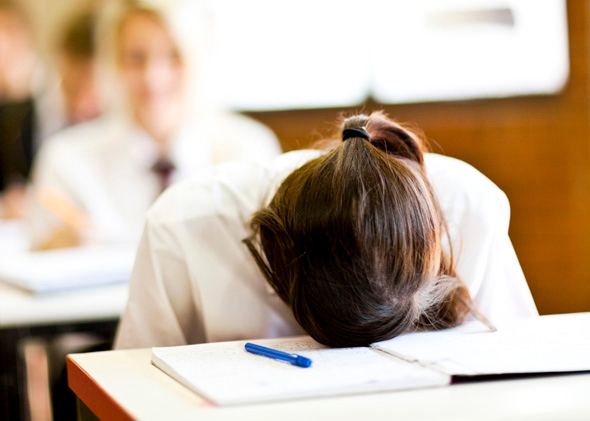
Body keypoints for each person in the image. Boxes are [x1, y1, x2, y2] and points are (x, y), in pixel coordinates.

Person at [114, 111, 538, 350]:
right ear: (279, 257)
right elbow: (128, 391)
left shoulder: (468, 209)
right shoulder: (182, 227)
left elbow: (519, 364)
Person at [26, 0, 281, 249]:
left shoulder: (251, 154)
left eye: (174, 56)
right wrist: (53, 250)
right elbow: (38, 258)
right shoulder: (67, 162)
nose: (153, 78)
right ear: (114, 63)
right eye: (136, 58)